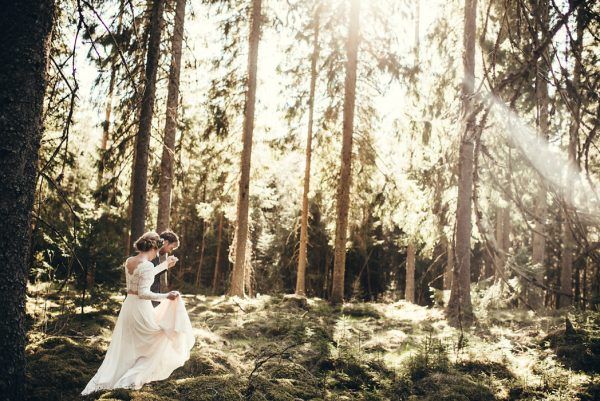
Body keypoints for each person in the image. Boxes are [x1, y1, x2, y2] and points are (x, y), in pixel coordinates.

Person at [81, 231, 195, 395]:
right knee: (157, 338)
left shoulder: (130, 261)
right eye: (157, 250)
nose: (157, 253)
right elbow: (143, 292)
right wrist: (166, 296)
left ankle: (125, 374)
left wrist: (164, 266)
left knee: (130, 343)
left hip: (129, 306)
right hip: (141, 307)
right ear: (154, 247)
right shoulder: (147, 265)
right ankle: (130, 378)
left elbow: (143, 276)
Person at [150, 230, 180, 307]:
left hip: (153, 297)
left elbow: (154, 274)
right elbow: (148, 274)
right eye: (171, 248)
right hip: (147, 298)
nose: (170, 251)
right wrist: (166, 264)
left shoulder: (156, 255)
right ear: (166, 242)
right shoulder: (150, 253)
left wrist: (167, 266)